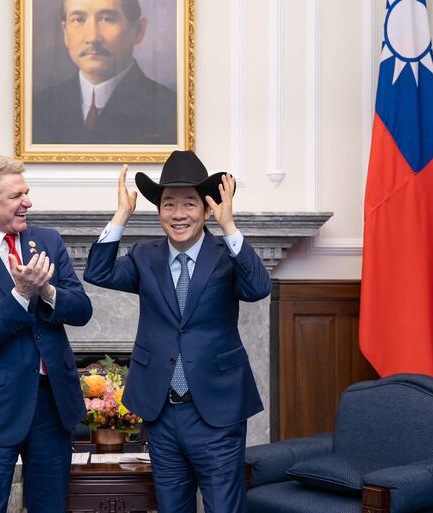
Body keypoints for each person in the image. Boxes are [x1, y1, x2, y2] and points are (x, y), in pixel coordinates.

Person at [83, 150, 271, 513]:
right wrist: (121, 214)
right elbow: (98, 273)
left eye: (189, 204)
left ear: (205, 210)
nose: (178, 214)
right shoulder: (144, 255)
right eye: (169, 204)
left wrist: (229, 226)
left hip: (217, 409)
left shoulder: (225, 253)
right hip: (161, 412)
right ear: (159, 211)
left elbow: (258, 288)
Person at [0, 155, 92, 513]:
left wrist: (48, 292)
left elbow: (82, 311)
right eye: (16, 196)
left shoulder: (48, 241)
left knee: (50, 505)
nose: (28, 202)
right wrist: (21, 294)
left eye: (27, 192)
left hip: (52, 400)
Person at [32, 0, 176, 145]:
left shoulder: (169, 110)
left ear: (138, 30)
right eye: (78, 20)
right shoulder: (38, 108)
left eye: (107, 19)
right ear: (65, 32)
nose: (92, 38)